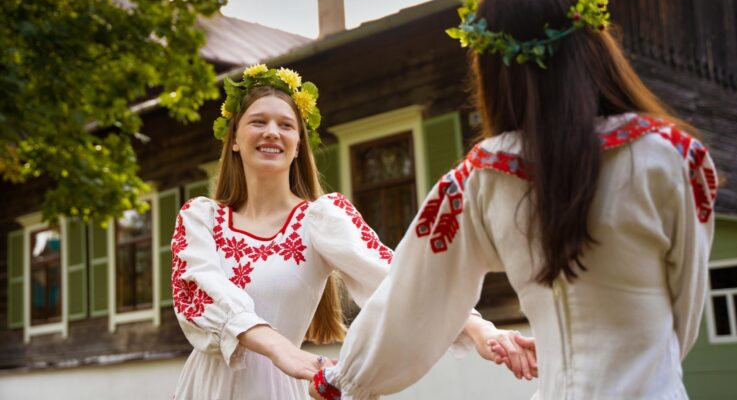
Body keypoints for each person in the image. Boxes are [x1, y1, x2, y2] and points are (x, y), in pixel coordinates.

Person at [309, 0, 718, 399]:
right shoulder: (674, 157)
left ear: (491, 69)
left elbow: (411, 298)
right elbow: (683, 312)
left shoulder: (481, 180)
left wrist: (341, 380)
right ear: (591, 42)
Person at [170, 64, 536, 399]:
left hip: (278, 390)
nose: (272, 132)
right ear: (234, 139)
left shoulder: (319, 219)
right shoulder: (200, 219)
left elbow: (400, 281)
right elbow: (198, 296)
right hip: (203, 389)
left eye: (285, 125)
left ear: (298, 146)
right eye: (258, 121)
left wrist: (482, 330)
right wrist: (280, 349)